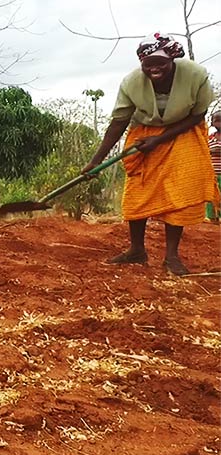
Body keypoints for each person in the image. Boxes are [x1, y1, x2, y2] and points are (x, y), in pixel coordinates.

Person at [83, 33, 218, 275]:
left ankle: (171, 257)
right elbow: (118, 123)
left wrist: (160, 139)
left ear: (172, 60)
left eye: (161, 63)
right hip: (144, 132)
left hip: (183, 131)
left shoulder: (196, 75)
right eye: (148, 64)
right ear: (141, 63)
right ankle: (136, 251)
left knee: (178, 191)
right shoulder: (131, 82)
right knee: (138, 190)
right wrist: (95, 160)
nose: (154, 68)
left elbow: (197, 115)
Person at [207, 111, 221, 224]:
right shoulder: (210, 138)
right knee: (211, 196)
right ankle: (212, 219)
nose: (219, 123)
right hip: (213, 173)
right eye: (216, 120)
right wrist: (211, 151)